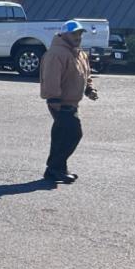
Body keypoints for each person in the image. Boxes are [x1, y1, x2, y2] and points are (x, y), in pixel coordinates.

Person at [39, 20, 97, 183]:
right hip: (60, 102)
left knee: (61, 136)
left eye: (79, 34)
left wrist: (89, 89)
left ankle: (55, 170)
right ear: (64, 35)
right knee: (73, 134)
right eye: (74, 34)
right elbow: (51, 78)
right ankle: (55, 168)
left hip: (71, 102)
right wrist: (55, 102)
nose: (78, 37)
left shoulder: (79, 53)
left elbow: (86, 74)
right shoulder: (56, 53)